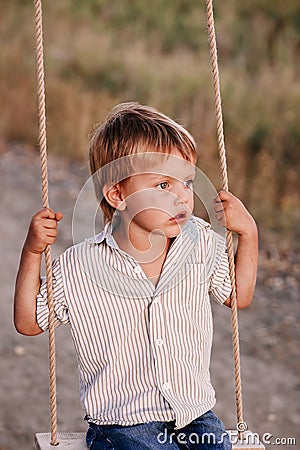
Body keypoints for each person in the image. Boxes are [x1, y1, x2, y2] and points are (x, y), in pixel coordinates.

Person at [14, 102, 258, 449]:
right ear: (118, 194)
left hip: (194, 413)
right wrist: (32, 251)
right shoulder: (80, 266)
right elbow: (28, 322)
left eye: (187, 182)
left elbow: (239, 296)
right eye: (162, 185)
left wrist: (248, 233)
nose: (182, 198)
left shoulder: (200, 242)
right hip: (125, 423)